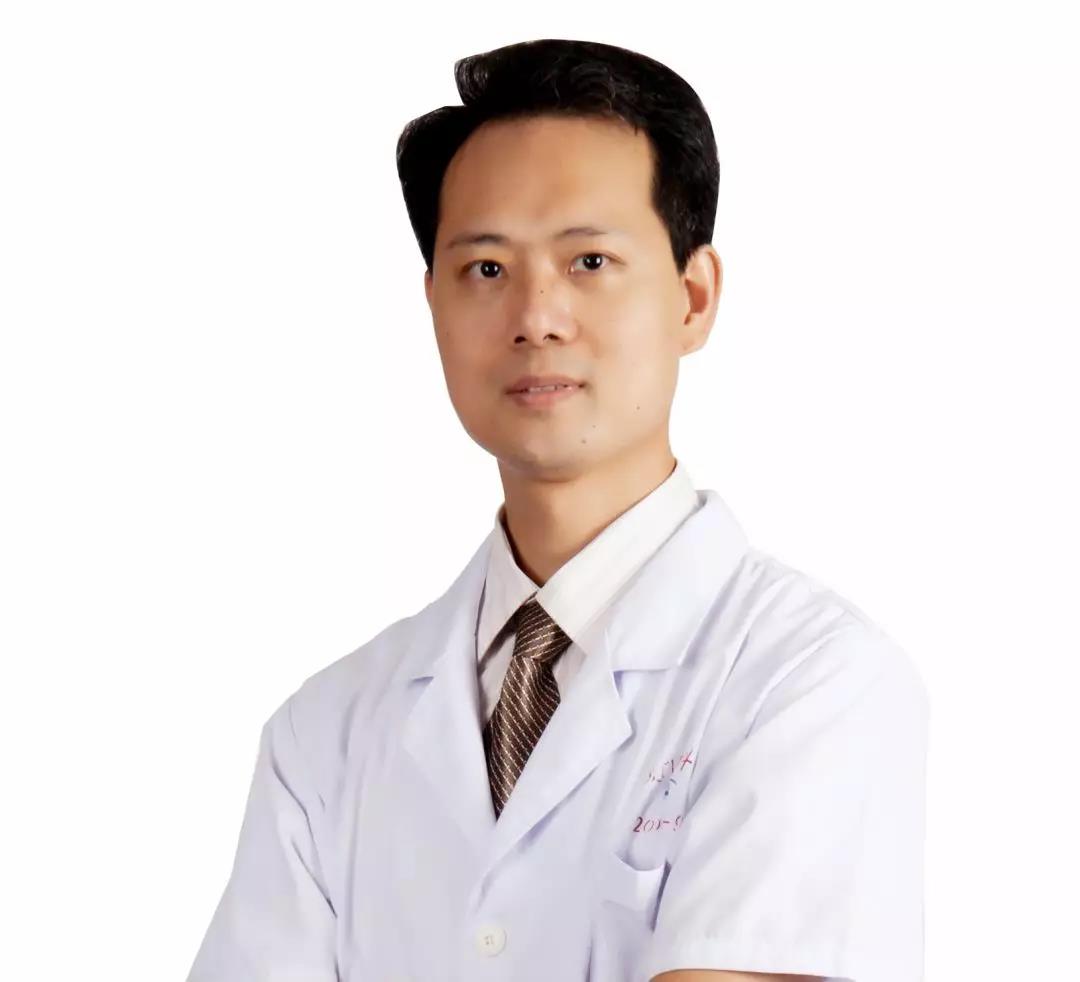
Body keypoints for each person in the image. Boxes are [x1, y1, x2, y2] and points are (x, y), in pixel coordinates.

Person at [185, 38, 930, 982]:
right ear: (433, 304)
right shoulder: (324, 735)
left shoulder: (807, 680)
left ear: (693, 298)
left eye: (589, 260)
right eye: (486, 270)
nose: (536, 316)